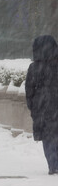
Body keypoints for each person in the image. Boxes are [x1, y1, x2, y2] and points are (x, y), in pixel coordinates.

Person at [25, 35, 58, 175]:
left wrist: (33, 107)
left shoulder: (34, 68)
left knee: (48, 138)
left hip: (42, 108)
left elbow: (29, 91)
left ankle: (52, 164)